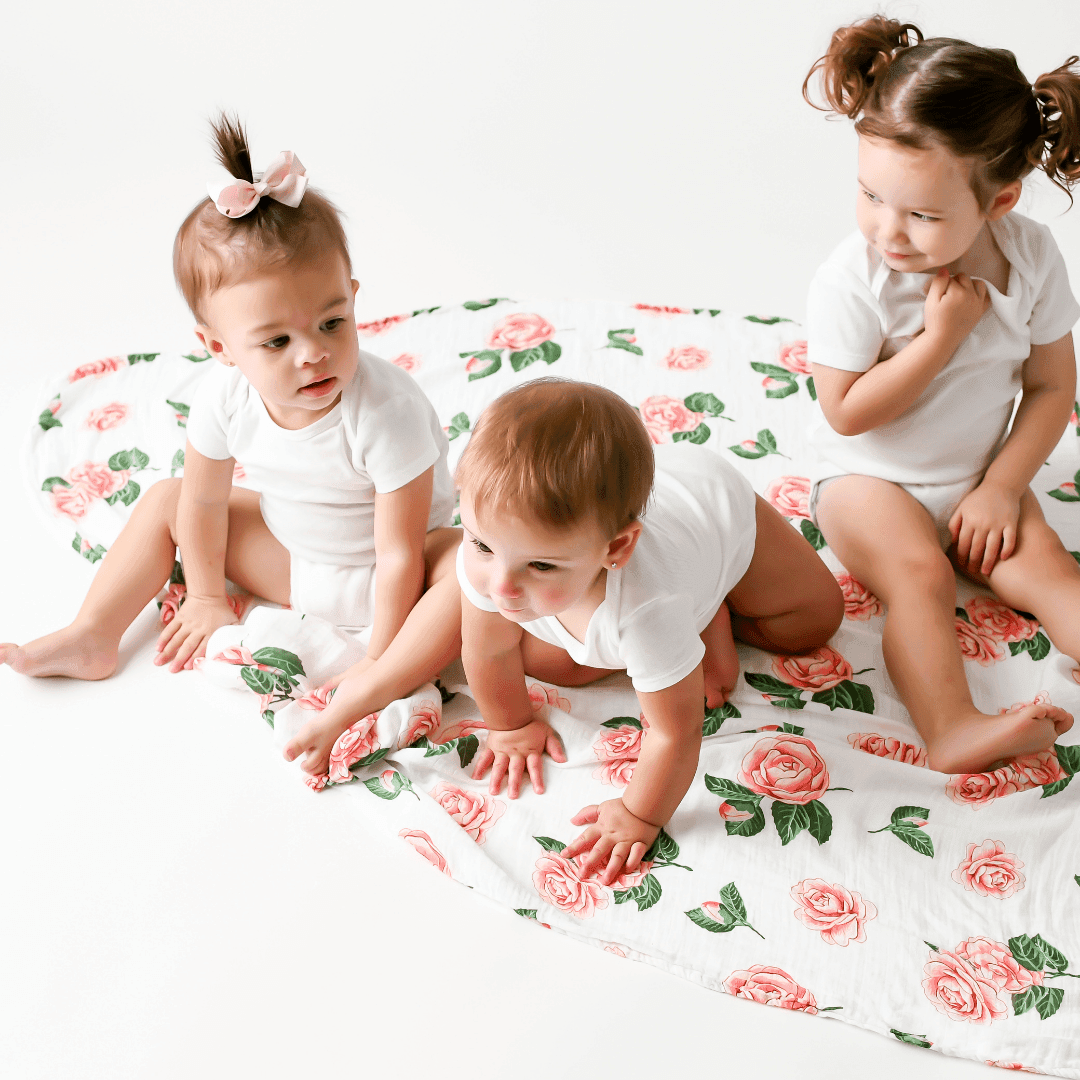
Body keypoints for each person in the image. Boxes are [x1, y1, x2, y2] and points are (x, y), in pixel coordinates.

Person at [1, 115, 462, 776]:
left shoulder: (385, 411)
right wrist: (209, 593)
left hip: (387, 581)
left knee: (464, 560)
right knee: (169, 496)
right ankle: (94, 634)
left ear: (355, 298)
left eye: (333, 321)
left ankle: (383, 672)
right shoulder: (222, 397)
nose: (314, 354)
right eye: (276, 341)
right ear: (219, 348)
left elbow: (396, 555)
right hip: (292, 559)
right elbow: (206, 501)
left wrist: (377, 662)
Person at [802, 17, 1080, 773]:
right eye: (870, 195)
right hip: (867, 482)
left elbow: (1055, 386)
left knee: (1045, 567)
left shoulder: (1030, 256)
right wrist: (940, 339)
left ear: (999, 202)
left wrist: (1001, 486)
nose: (888, 229)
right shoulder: (854, 277)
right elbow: (846, 412)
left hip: (978, 476)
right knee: (918, 575)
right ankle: (953, 727)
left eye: (922, 215)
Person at [454, 379, 843, 885]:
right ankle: (703, 621)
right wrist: (510, 725)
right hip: (663, 584)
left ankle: (712, 605)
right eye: (481, 545)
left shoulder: (647, 610)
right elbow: (486, 651)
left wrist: (639, 814)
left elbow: (674, 732)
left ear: (616, 548)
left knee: (812, 623)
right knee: (552, 665)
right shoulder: (493, 563)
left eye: (542, 566)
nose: (501, 586)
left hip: (710, 506)